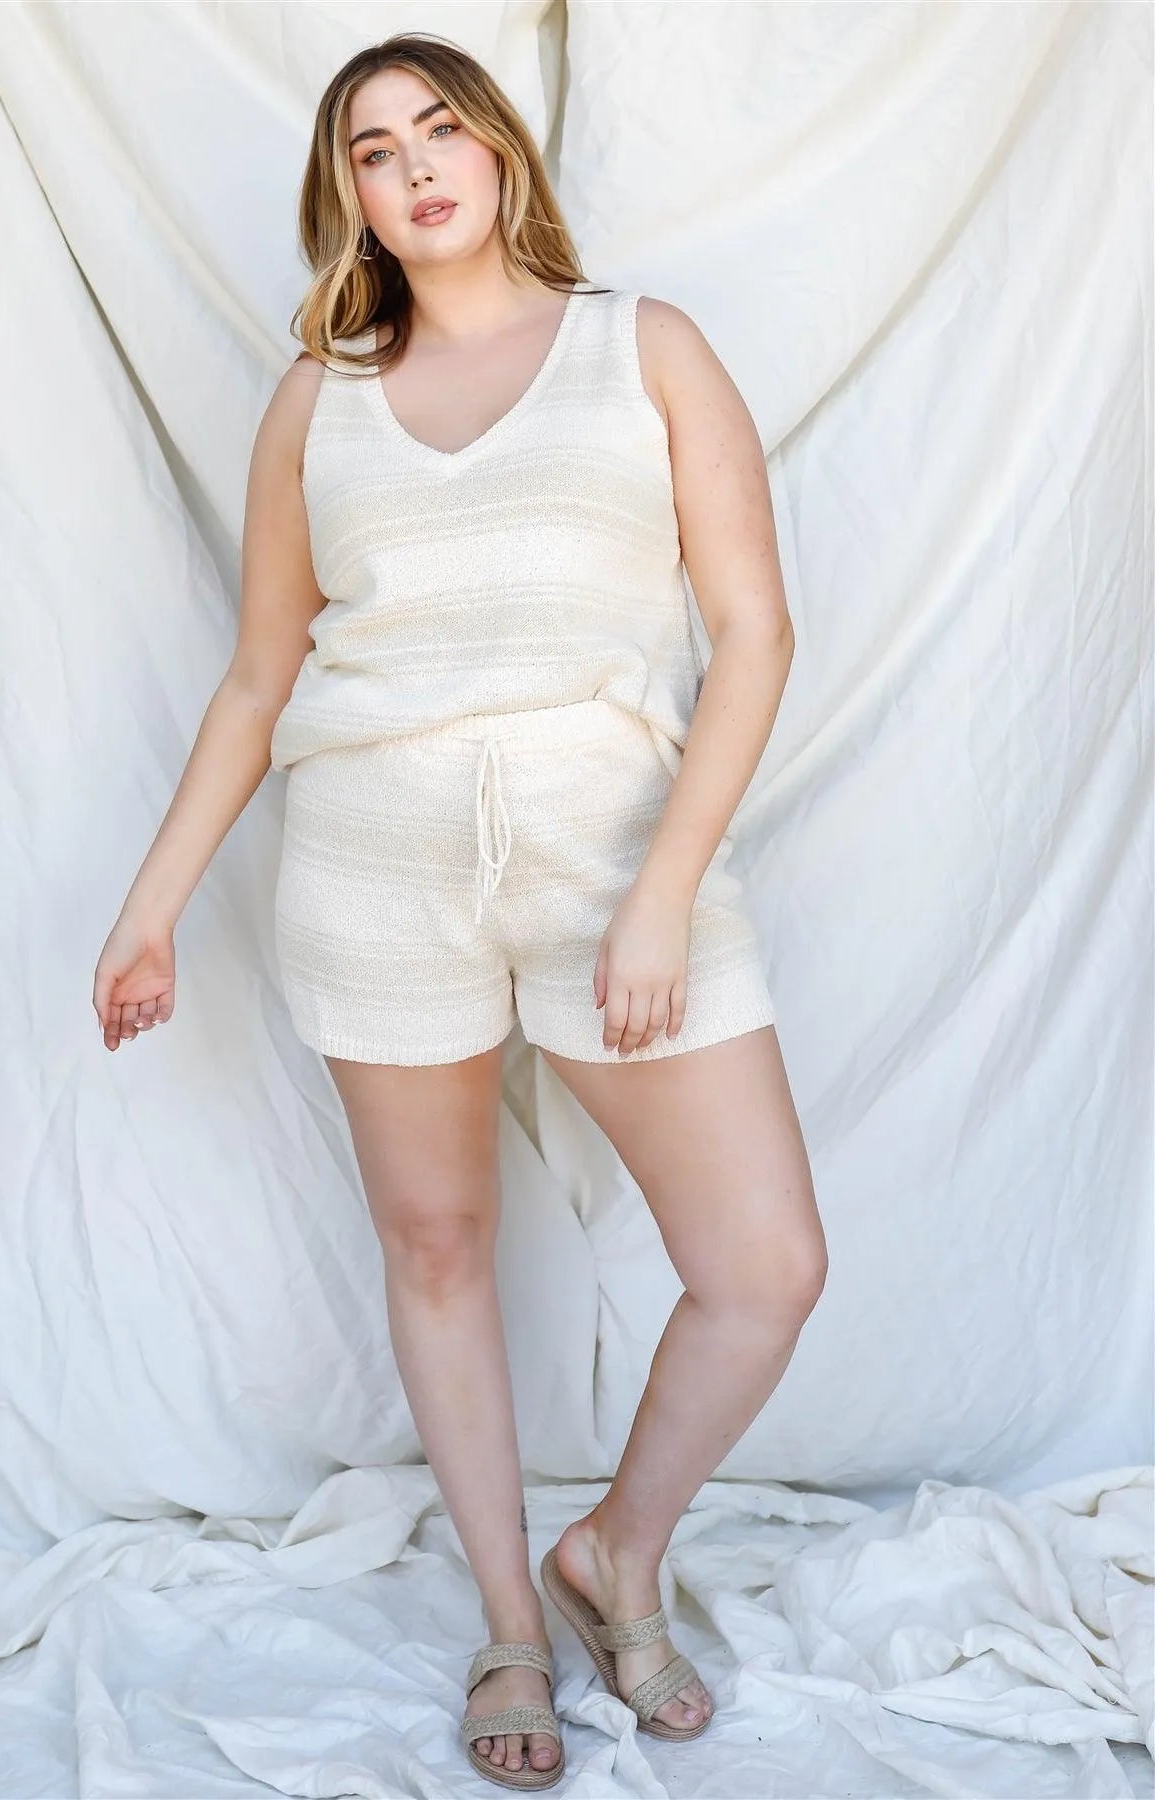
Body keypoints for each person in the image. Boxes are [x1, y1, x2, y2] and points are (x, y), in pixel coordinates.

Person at [92, 29, 826, 1792]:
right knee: (435, 1248)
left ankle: (617, 1554)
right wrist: (151, 909)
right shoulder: (317, 402)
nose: (414, 166)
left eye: (440, 129)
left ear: (500, 151)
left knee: (765, 1267)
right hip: (375, 872)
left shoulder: (642, 348)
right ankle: (511, 1618)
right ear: (346, 195)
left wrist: (662, 893)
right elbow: (261, 678)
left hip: (614, 864)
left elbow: (755, 633)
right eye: (373, 149)